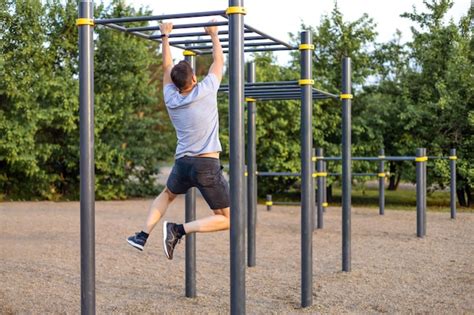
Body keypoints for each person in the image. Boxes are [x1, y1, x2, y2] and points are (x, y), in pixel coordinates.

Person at [127, 20, 230, 260]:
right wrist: (214, 34)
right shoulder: (205, 90)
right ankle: (178, 230)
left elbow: (166, 68)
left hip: (183, 163)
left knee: (167, 195)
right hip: (206, 165)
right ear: (194, 78)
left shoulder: (171, 98)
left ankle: (142, 235)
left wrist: (165, 36)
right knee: (227, 220)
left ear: (175, 84)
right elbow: (219, 61)